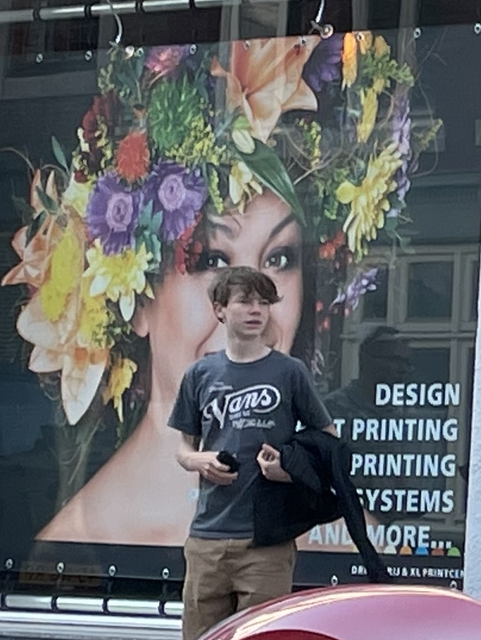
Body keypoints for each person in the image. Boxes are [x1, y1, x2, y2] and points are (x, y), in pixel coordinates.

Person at [39, 188, 307, 546]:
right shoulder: (77, 544)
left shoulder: (347, 541)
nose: (252, 313)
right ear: (136, 298)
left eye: (279, 258)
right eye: (210, 261)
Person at [170, 264, 334, 640]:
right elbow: (182, 447)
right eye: (245, 301)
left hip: (267, 543)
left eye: (264, 302)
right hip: (207, 540)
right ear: (220, 310)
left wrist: (288, 469)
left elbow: (327, 442)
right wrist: (199, 461)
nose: (256, 310)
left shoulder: (289, 372)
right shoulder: (200, 374)